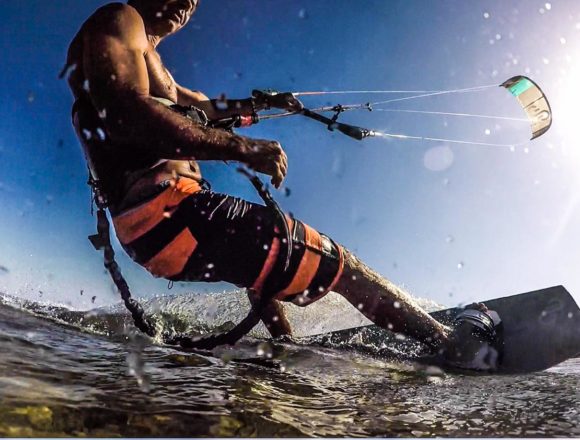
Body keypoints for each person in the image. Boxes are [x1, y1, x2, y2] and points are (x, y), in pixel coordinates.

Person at [65, 0, 500, 369]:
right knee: (333, 261)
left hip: (160, 232)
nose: (187, 4)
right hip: (170, 213)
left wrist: (261, 106)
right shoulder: (121, 19)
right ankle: (451, 344)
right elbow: (124, 114)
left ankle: (283, 353)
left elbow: (200, 105)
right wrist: (241, 147)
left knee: (258, 269)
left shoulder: (152, 59)